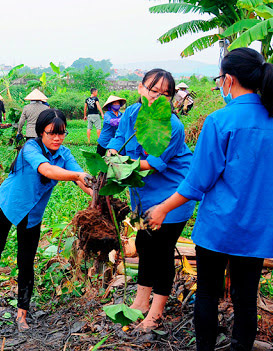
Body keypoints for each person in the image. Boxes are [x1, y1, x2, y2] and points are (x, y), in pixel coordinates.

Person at [146, 48, 273, 351]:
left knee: (208, 295)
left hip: (219, 228)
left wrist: (161, 208)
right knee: (245, 298)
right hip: (258, 229)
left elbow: (197, 182)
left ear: (228, 80)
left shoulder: (220, 121)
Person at [0, 109, 94, 331]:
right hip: (7, 204)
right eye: (52, 133)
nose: (57, 138)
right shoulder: (30, 148)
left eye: (61, 133)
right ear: (41, 132)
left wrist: (96, 194)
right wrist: (77, 176)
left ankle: (22, 314)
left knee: (26, 262)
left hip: (32, 214)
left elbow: (81, 179)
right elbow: (47, 170)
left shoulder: (64, 154)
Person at [106, 69, 195, 332]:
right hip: (142, 197)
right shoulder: (132, 113)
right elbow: (120, 138)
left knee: (161, 250)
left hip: (171, 197)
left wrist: (123, 164)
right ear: (141, 88)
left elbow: (155, 164)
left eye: (165, 94)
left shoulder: (173, 126)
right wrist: (113, 151)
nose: (158, 97)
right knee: (144, 243)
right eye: (153, 90)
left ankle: (155, 315)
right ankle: (140, 302)